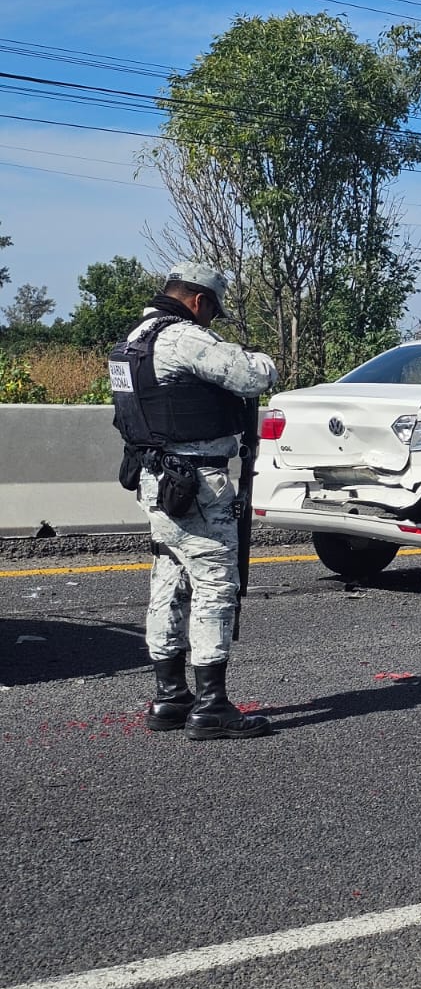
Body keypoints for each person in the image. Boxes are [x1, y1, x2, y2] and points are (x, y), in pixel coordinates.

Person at [109, 262, 280, 739]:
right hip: (198, 482)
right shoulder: (184, 337)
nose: (211, 320)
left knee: (170, 576)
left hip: (155, 479)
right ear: (199, 301)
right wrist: (259, 356)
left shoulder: (130, 344)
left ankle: (169, 697)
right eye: (212, 311)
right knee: (215, 585)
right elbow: (253, 377)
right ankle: (212, 706)